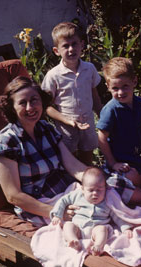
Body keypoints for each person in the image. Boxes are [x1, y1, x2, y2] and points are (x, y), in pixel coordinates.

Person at [0, 76, 141, 228]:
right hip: (41, 203)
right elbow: (13, 196)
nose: (31, 107)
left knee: (113, 184)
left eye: (35, 100)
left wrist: (99, 180)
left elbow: (73, 166)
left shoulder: (45, 129)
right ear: (12, 108)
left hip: (67, 189)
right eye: (23, 103)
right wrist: (56, 212)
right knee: (96, 213)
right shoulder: (6, 143)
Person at [41, 22, 102, 166]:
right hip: (66, 128)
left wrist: (102, 115)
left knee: (87, 160)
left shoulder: (89, 69)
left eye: (74, 44)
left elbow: (95, 95)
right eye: (65, 46)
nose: (71, 49)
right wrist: (66, 120)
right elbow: (46, 107)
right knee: (70, 162)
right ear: (56, 51)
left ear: (82, 45)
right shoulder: (53, 75)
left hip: (87, 123)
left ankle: (90, 185)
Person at [97, 57, 141, 193]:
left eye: (125, 87)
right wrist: (113, 163)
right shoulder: (111, 110)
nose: (120, 92)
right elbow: (101, 138)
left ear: (134, 81)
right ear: (108, 87)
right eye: (115, 88)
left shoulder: (139, 104)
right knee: (134, 180)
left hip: (134, 158)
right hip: (119, 162)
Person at [50, 167, 133, 255]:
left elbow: (117, 214)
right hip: (78, 227)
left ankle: (98, 246)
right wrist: (57, 215)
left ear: (105, 188)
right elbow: (63, 201)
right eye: (91, 190)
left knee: (102, 229)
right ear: (83, 189)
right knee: (68, 225)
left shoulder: (108, 201)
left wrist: (125, 228)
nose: (95, 193)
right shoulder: (77, 195)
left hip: (96, 229)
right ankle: (73, 240)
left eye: (99, 190)